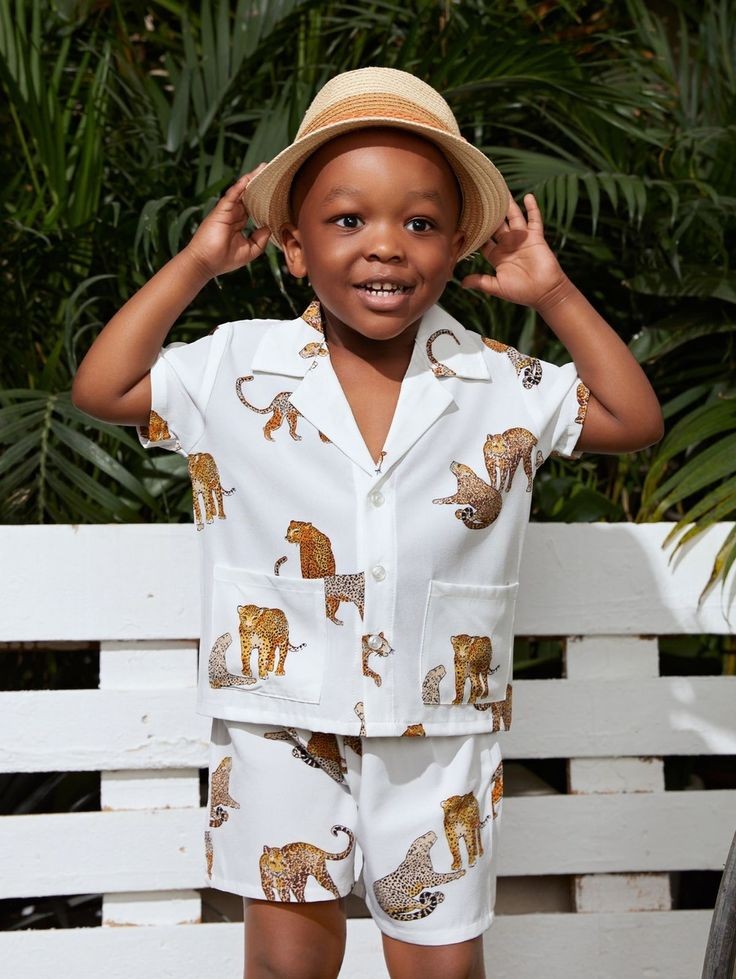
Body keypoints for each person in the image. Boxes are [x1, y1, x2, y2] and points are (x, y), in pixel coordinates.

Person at [72, 67, 663, 979]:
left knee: (442, 966)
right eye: (348, 220)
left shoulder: (499, 378)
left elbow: (634, 417)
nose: (386, 245)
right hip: (278, 719)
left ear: (456, 243)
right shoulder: (238, 365)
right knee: (288, 963)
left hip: (439, 726)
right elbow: (102, 386)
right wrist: (198, 262)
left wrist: (553, 294)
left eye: (419, 223)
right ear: (293, 245)